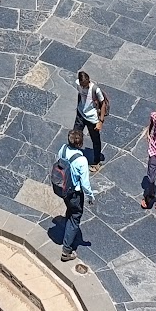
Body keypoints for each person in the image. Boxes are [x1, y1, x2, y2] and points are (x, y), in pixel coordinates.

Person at [53, 127, 93, 261]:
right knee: (75, 217)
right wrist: (90, 196)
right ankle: (66, 251)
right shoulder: (82, 160)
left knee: (70, 210)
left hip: (63, 189)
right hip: (74, 193)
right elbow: (85, 183)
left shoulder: (63, 149)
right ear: (81, 143)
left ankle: (67, 225)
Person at [73, 70, 110, 165]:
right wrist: (79, 106)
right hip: (81, 115)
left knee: (95, 140)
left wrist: (100, 121)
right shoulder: (78, 83)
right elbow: (80, 94)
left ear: (88, 81)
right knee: (75, 136)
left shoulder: (95, 89)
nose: (83, 87)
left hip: (92, 118)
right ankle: (73, 155)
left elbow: (103, 104)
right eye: (82, 85)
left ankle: (96, 160)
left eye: (85, 85)